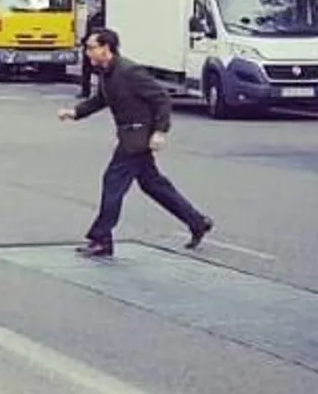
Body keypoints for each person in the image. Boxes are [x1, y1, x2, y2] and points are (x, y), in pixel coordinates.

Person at [57, 28, 213, 258]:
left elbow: (160, 98)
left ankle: (101, 239)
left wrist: (160, 131)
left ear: (105, 48)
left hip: (137, 137)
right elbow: (101, 99)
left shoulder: (130, 71)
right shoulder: (107, 73)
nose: (87, 52)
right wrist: (75, 112)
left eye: (91, 47)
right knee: (153, 184)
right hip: (130, 136)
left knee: (113, 182)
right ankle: (197, 222)